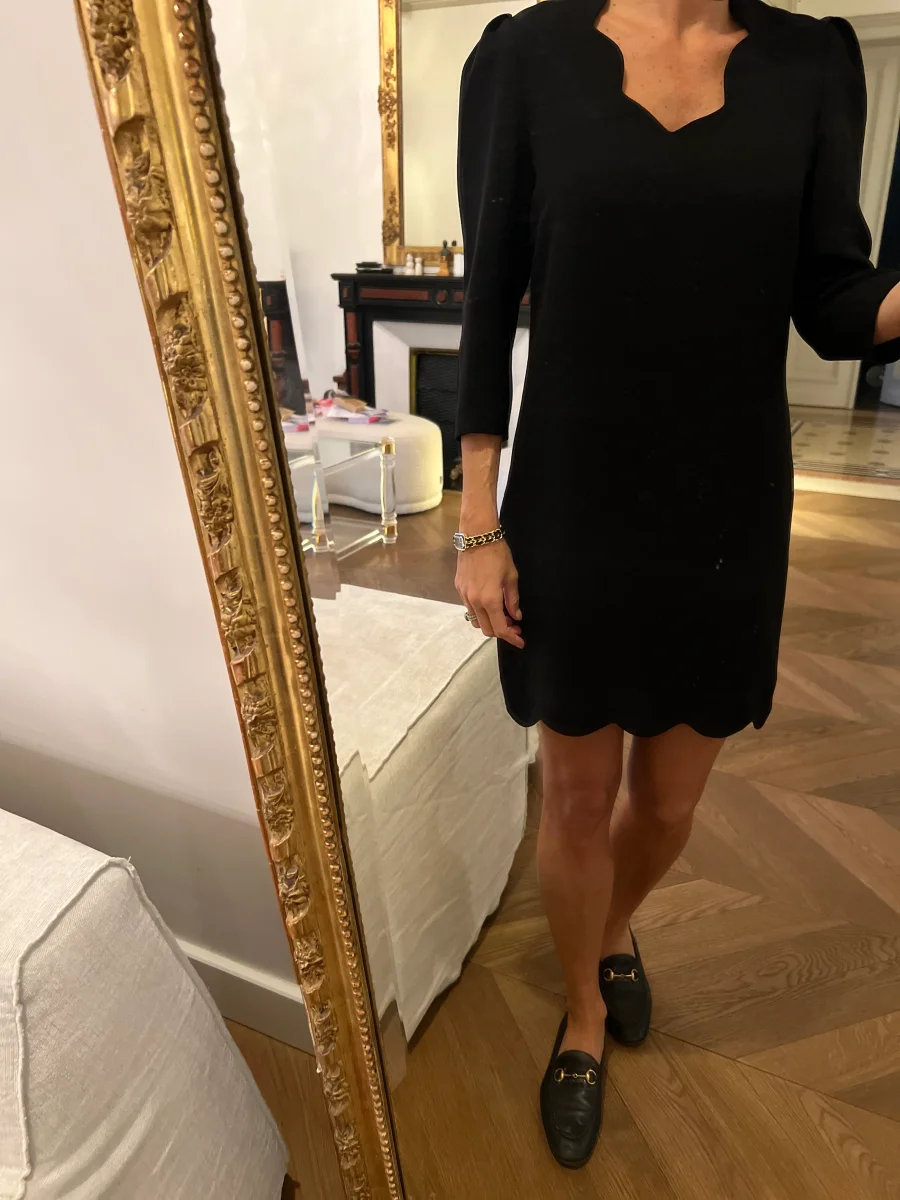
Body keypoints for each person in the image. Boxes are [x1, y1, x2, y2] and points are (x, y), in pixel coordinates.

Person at [453, 0, 900, 1171]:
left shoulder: (810, 62)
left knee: (666, 805)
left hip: (726, 506)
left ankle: (610, 928)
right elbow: (489, 292)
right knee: (574, 798)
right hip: (571, 498)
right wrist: (478, 517)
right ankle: (583, 1016)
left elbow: (835, 299)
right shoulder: (528, 56)